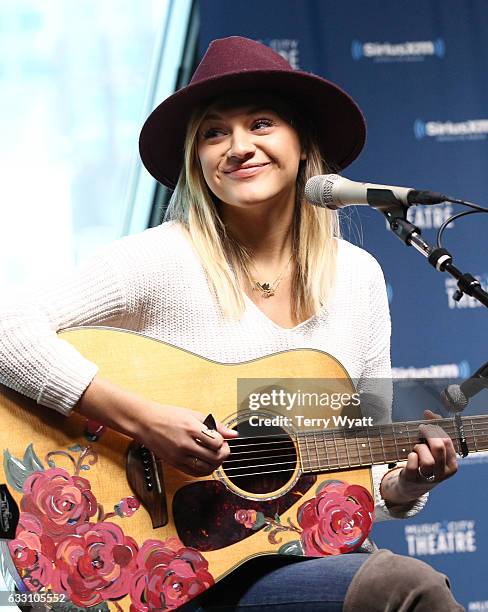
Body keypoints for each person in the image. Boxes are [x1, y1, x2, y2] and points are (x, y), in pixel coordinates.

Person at [0, 36, 462, 611]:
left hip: (290, 555)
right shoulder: (163, 259)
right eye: (214, 133)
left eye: (262, 124)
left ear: (302, 144)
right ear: (198, 161)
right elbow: (7, 327)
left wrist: (411, 480)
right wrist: (145, 422)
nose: (238, 147)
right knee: (408, 587)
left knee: (400, 586)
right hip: (169, 564)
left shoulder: (358, 278)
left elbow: (368, 465)